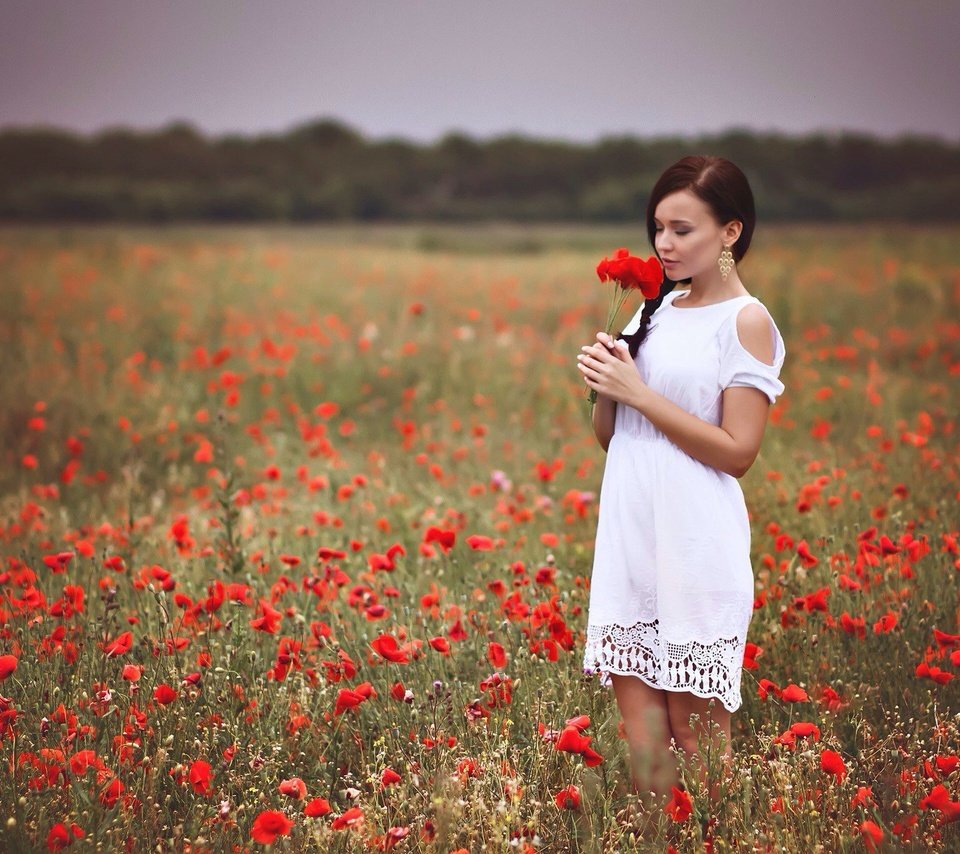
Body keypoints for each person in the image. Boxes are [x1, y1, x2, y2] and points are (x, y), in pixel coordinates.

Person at [576, 156, 786, 802]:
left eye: (682, 229)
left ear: (730, 232)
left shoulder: (746, 321)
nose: (664, 245)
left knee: (697, 742)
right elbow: (613, 440)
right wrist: (608, 383)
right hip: (631, 539)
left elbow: (738, 451)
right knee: (647, 753)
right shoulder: (650, 314)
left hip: (695, 544)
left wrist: (638, 394)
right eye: (658, 228)